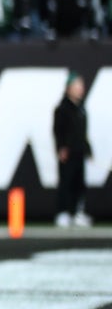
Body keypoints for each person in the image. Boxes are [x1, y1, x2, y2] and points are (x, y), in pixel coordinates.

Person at [54, 73, 92, 228]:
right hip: (68, 153)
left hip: (79, 151)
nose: (80, 89)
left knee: (79, 183)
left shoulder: (81, 108)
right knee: (66, 182)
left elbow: (83, 132)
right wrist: (61, 147)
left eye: (81, 86)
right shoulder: (62, 108)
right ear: (68, 89)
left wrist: (88, 148)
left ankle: (78, 212)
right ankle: (63, 212)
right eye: (77, 86)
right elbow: (57, 130)